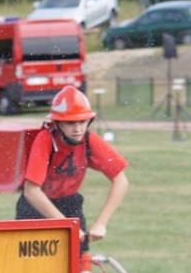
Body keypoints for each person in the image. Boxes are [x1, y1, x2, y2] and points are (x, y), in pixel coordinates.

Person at [14, 85, 130, 254]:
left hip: (70, 205)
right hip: (35, 208)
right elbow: (31, 191)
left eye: (82, 122)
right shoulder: (45, 139)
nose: (77, 129)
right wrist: (67, 225)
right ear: (57, 123)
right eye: (70, 123)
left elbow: (121, 180)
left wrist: (100, 223)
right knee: (32, 269)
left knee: (76, 268)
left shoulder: (89, 140)